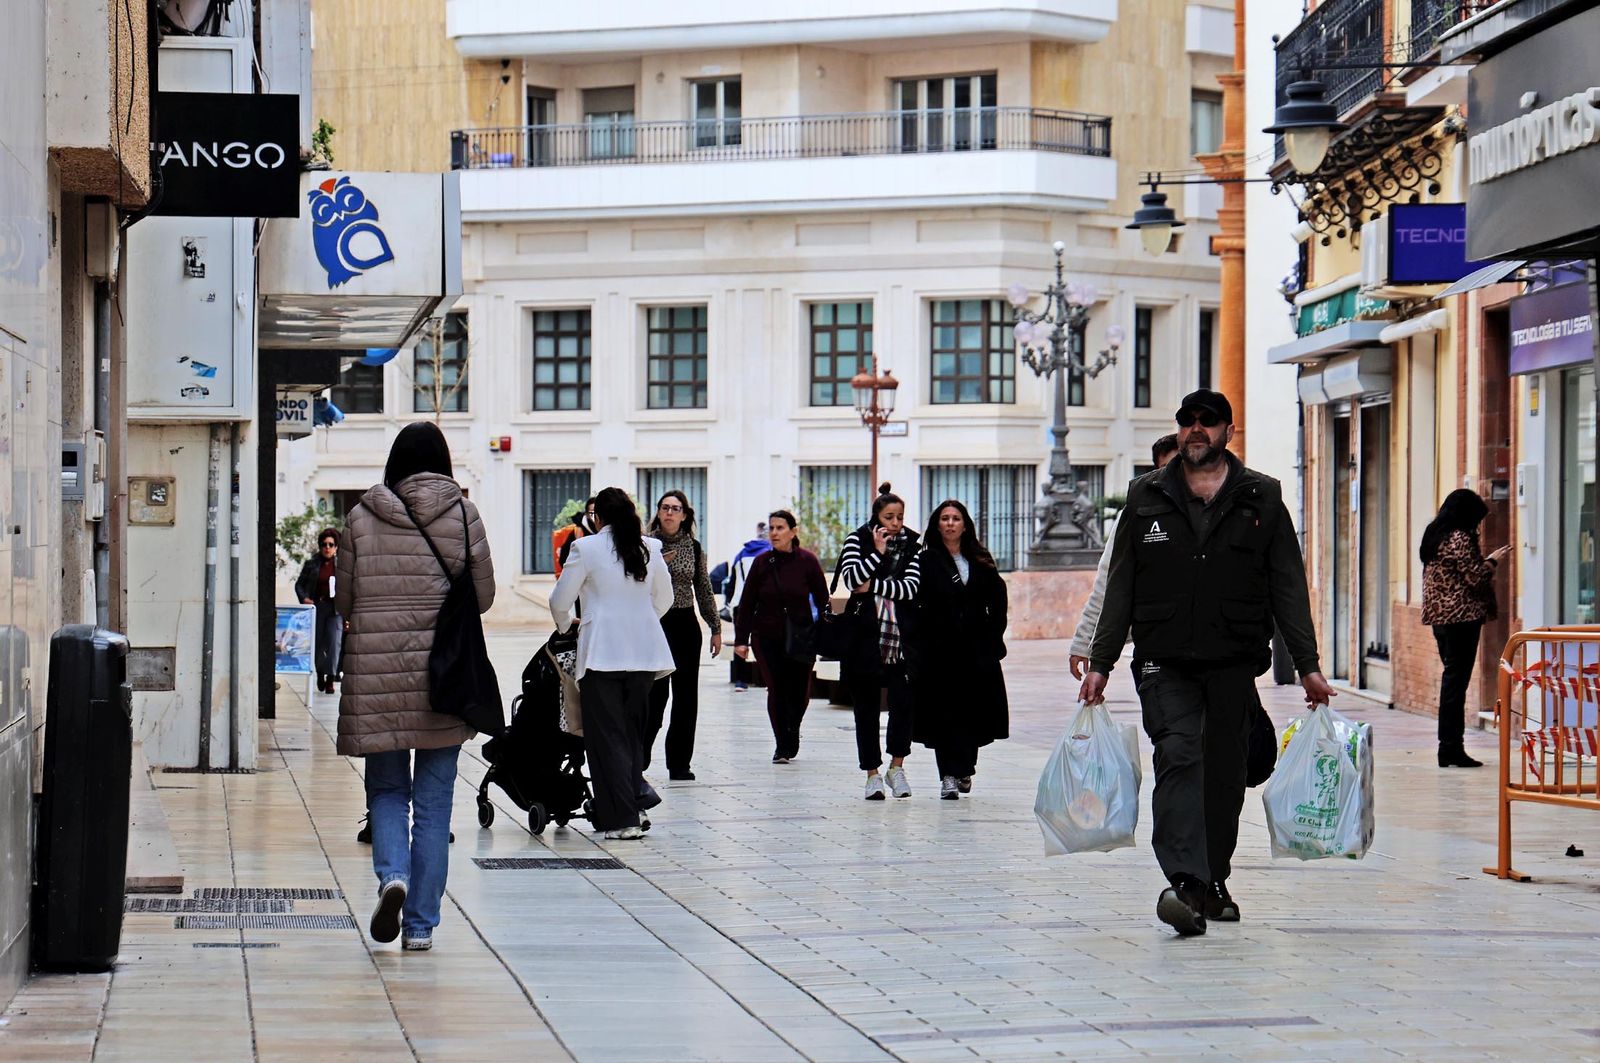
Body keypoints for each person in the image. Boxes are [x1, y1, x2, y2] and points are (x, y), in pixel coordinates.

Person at [1079, 389, 1331, 938]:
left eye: (1208, 422)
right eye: (1188, 421)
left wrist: (1307, 664)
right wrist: (1101, 660)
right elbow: (1120, 584)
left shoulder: (1261, 497)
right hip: (1162, 661)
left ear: (1227, 432)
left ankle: (1215, 880)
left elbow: (1287, 586)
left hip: (1232, 661)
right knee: (1179, 752)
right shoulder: (1145, 497)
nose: (1197, 429)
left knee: (1224, 773)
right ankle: (1186, 884)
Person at [335, 421, 495, 951]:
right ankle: (421, 926)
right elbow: (484, 597)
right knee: (433, 804)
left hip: (377, 676)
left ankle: (392, 877)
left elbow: (344, 603)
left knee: (385, 789)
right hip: (445, 678)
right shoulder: (465, 514)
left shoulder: (359, 516)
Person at [549, 487, 675, 841]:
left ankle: (622, 818)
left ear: (597, 517)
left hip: (603, 654)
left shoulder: (585, 548)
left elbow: (560, 600)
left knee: (606, 739)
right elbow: (664, 598)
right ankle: (631, 806)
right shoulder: (649, 547)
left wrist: (567, 626)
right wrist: (641, 620)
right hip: (644, 654)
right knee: (632, 736)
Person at [910, 500, 1009, 800]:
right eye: (945, 518)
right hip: (940, 653)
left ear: (965, 524)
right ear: (937, 524)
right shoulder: (926, 560)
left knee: (974, 712)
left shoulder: (979, 558)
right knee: (945, 714)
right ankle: (948, 776)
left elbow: (998, 596)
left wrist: (993, 634)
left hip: (977, 652)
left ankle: (965, 767)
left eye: (956, 518)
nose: (950, 523)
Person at [1069, 434, 1180, 680]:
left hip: (1215, 652)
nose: (1172, 476)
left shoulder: (1218, 515)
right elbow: (1109, 582)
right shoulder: (1136, 515)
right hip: (1155, 646)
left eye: (1178, 467)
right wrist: (1084, 642)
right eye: (1164, 469)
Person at [838, 484, 922, 800]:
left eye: (900, 517)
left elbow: (911, 588)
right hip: (864, 639)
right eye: (889, 517)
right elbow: (853, 581)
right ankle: (872, 773)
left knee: (904, 707)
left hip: (903, 640)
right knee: (866, 710)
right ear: (877, 516)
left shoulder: (914, 544)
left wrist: (874, 586)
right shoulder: (856, 540)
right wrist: (876, 553)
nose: (895, 523)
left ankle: (896, 767)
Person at [733, 511, 828, 763]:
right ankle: (782, 745)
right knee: (776, 688)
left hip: (801, 636)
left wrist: (826, 634)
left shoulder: (808, 561)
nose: (774, 533)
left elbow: (822, 599)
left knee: (799, 691)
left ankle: (792, 729)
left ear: (793, 532)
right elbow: (747, 602)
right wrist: (741, 640)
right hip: (766, 635)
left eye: (780, 528)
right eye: (771, 528)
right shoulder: (762, 563)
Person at [1420, 489, 1506, 769]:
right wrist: (1492, 561)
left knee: (1452, 681)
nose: (1478, 526)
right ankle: (1450, 748)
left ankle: (1449, 747)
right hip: (1461, 618)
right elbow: (1475, 577)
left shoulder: (1436, 535)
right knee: (1455, 684)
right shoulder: (1459, 537)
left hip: (1440, 619)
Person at [644, 490, 722, 781]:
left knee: (686, 697)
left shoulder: (694, 546)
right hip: (656, 624)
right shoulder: (646, 545)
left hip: (686, 625)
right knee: (655, 694)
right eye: (665, 507)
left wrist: (715, 626)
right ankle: (639, 756)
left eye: (675, 509)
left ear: (685, 515)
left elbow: (703, 588)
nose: (669, 513)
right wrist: (658, 564)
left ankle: (679, 763)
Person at [295, 527, 346, 694]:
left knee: (334, 643)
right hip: (317, 608)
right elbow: (299, 585)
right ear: (320, 546)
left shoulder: (342, 566)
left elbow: (349, 587)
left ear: (336, 547)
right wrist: (304, 599)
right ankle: (320, 673)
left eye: (331, 544)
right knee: (317, 645)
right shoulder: (312, 564)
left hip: (335, 609)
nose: (327, 548)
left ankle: (331, 677)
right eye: (324, 544)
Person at [726, 522, 772, 691]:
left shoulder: (740, 555)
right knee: (767, 643)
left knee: (741, 641)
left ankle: (741, 681)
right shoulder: (770, 553)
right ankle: (769, 680)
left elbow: (732, 583)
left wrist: (729, 604)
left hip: (740, 603)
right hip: (762, 604)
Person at [552, 496, 596, 577]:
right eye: (592, 513)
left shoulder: (606, 529)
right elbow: (564, 558)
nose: (596, 516)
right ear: (586, 514)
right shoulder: (578, 531)